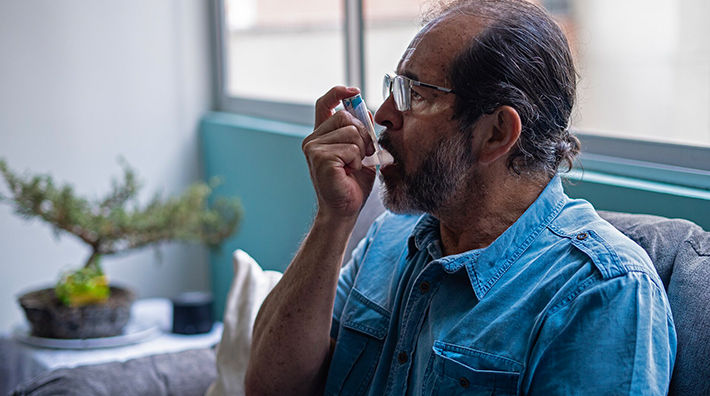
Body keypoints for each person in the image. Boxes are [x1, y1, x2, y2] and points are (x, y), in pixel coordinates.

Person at [245, 0, 676, 394]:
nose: (382, 116)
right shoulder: (389, 238)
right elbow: (268, 387)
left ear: (496, 134)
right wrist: (332, 220)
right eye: (394, 87)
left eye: (414, 94)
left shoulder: (601, 294)